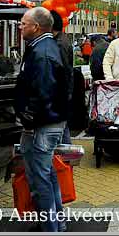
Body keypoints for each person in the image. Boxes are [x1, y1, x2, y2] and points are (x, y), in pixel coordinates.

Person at [14, 7, 68, 232]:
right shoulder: (43, 47)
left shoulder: (42, 52)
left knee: (39, 181)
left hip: (41, 125)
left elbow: (43, 90)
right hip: (47, 122)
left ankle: (50, 230)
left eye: (23, 23)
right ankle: (58, 223)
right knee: (48, 175)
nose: (20, 26)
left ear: (36, 27)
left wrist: (28, 118)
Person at [50, 10, 74, 145]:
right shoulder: (62, 39)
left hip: (59, 93)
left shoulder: (58, 44)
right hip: (63, 92)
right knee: (63, 128)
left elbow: (63, 70)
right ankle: (67, 161)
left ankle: (65, 161)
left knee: (59, 129)